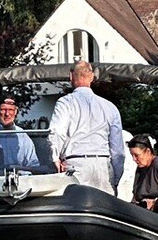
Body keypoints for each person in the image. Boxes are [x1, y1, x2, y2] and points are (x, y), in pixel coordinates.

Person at [48, 60, 125, 194]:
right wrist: (116, 176)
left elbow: (57, 132)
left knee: (76, 204)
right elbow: (117, 149)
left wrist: (54, 158)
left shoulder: (65, 102)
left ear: (71, 76)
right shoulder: (109, 107)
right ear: (92, 77)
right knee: (104, 205)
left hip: (76, 163)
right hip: (103, 165)